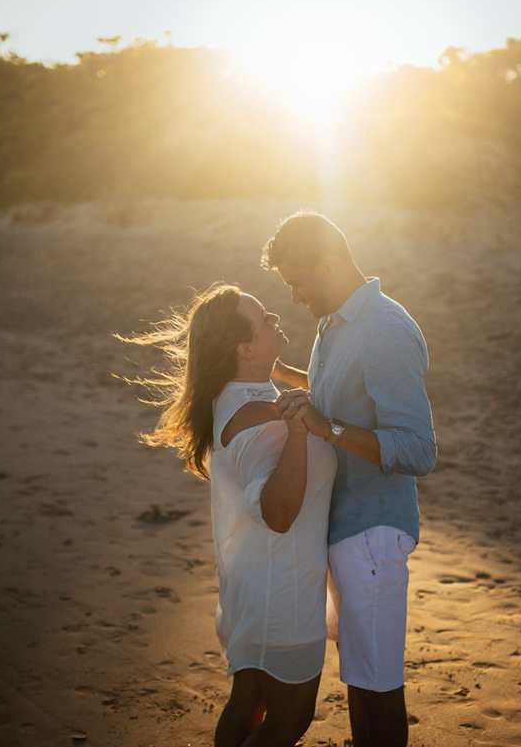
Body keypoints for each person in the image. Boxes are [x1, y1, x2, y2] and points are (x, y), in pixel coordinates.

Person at [124, 284, 337, 747]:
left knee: (248, 704)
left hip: (257, 584)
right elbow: (277, 513)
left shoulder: (238, 395)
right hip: (281, 593)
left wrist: (284, 374)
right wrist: (299, 437)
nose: (275, 317)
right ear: (244, 347)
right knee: (289, 721)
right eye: (264, 319)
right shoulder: (257, 414)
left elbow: (304, 400)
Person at [261, 211, 437, 747]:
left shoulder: (385, 328)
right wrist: (263, 369)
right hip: (344, 529)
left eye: (298, 282)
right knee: (359, 680)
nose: (294, 298)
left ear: (329, 263)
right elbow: (329, 393)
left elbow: (418, 449)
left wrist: (328, 426)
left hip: (375, 532)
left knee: (378, 687)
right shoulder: (333, 322)